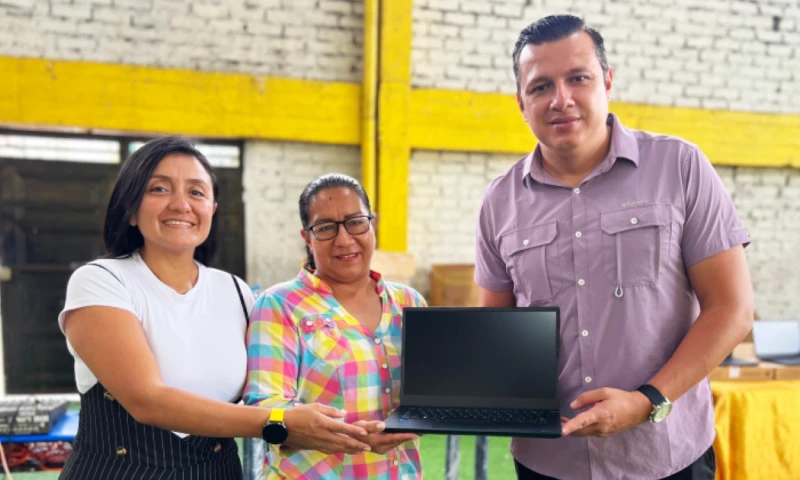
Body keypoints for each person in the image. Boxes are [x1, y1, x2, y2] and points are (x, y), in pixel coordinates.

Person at [474, 15, 754, 480]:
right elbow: (496, 330)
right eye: (541, 86)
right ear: (521, 102)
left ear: (607, 81)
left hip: (664, 455)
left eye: (577, 78)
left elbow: (732, 309)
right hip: (549, 459)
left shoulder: (679, 167)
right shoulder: (499, 202)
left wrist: (648, 401)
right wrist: (431, 402)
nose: (561, 99)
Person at [58, 138, 374, 480]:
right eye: (159, 188)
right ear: (131, 209)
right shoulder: (101, 281)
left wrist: (361, 431)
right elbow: (147, 401)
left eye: (196, 192)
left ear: (212, 209)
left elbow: (279, 387)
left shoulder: (236, 292)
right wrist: (279, 423)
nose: (181, 204)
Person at [244, 173, 425, 479]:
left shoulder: (409, 303)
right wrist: (351, 435)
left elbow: (427, 396)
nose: (344, 239)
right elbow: (267, 405)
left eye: (356, 222)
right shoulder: (280, 304)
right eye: (326, 227)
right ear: (307, 238)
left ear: (372, 224)